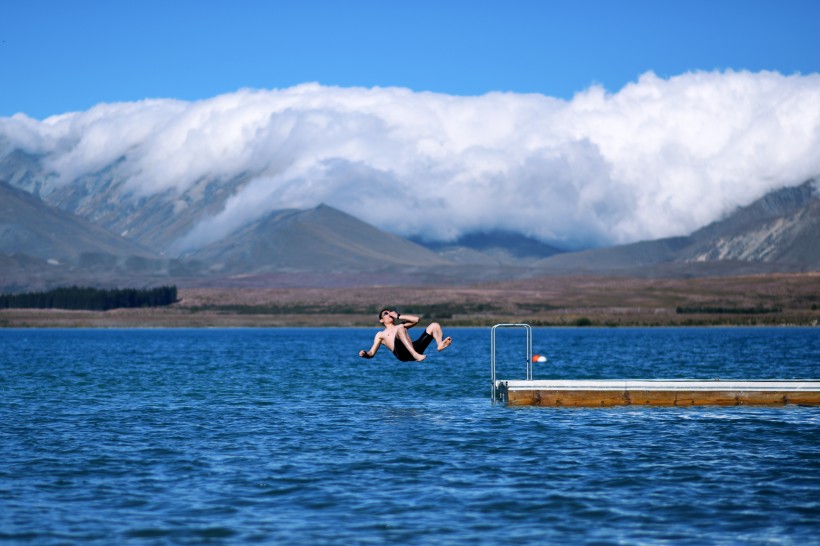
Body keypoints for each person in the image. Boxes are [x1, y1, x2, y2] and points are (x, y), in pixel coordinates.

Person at [358, 308, 452, 362]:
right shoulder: (381, 334)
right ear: (381, 320)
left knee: (434, 325)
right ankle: (415, 355)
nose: (389, 314)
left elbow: (416, 320)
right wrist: (365, 354)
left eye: (390, 312)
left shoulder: (400, 325)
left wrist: (398, 316)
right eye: (386, 313)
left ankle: (439, 344)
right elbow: (371, 353)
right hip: (402, 354)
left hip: (415, 348)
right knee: (401, 329)